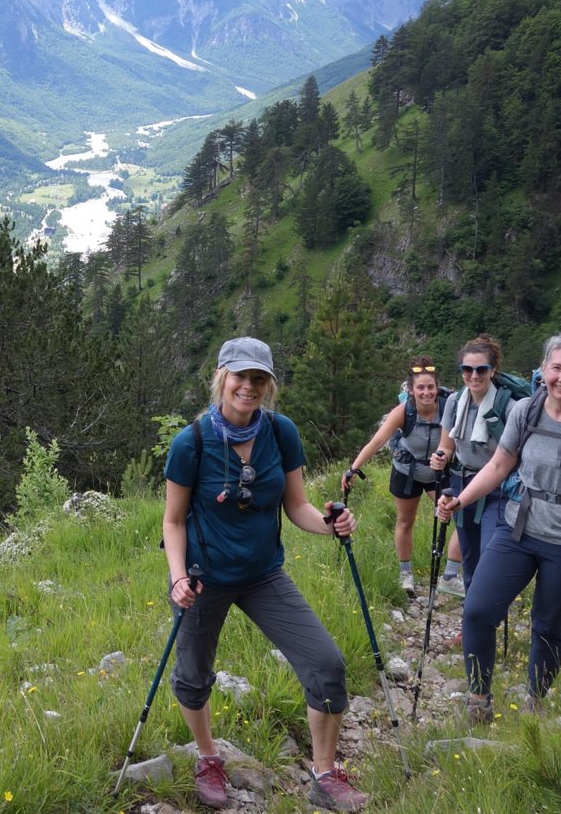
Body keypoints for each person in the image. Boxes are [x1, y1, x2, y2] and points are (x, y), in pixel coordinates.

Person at [164, 337, 368, 812]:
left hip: (262, 575)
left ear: (269, 385)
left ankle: (323, 774)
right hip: (201, 577)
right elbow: (172, 521)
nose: (249, 387)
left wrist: (330, 523)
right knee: (193, 677)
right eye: (241, 376)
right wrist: (177, 579)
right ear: (222, 378)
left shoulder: (281, 433)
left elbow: (296, 505)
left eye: (259, 379)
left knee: (327, 666)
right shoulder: (190, 442)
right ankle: (208, 756)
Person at [436, 334, 561, 722]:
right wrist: (462, 500)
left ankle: (536, 702)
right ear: (543, 371)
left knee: (549, 626)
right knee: (477, 611)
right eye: (556, 368)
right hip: (518, 531)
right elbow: (498, 467)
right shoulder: (525, 411)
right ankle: (478, 700)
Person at [341, 360, 448, 594]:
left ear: (437, 387)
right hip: (406, 472)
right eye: (420, 388)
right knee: (405, 521)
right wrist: (354, 468)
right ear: (411, 390)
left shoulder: (448, 408)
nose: (426, 392)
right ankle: (406, 573)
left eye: (430, 387)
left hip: (437, 472)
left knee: (455, 515)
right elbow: (377, 441)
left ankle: (451, 573)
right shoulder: (402, 412)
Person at [428, 334, 513, 596]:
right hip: (462, 484)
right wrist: (440, 456)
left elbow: (512, 457)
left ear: (493, 370)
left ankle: (487, 612)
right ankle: (472, 621)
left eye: (481, 369)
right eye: (467, 369)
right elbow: (447, 444)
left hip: (497, 491)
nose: (473, 375)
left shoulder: (508, 407)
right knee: (470, 554)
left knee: (490, 554)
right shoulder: (455, 402)